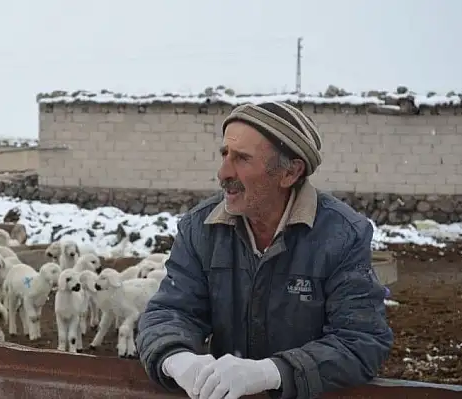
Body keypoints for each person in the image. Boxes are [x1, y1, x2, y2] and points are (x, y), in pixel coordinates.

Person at [136, 101, 394, 399]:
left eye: (242, 159)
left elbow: (360, 341)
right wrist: (178, 359)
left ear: (290, 173)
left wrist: (271, 372)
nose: (223, 173)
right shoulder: (202, 228)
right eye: (224, 155)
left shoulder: (341, 235)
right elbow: (170, 311)